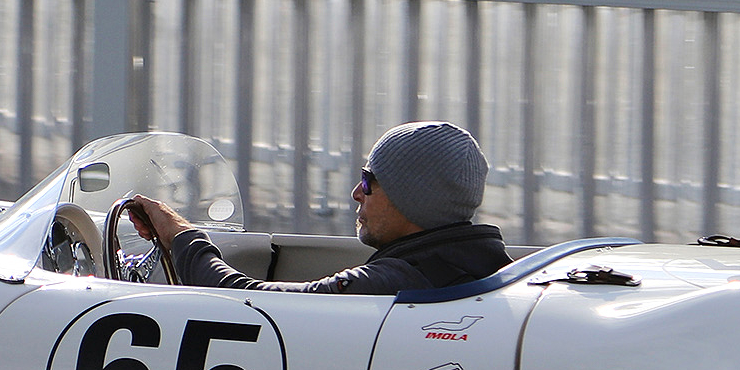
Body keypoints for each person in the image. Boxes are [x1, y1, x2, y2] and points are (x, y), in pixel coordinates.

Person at [127, 122, 509, 295]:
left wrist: (181, 236)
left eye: (367, 181)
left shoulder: (391, 284)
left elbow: (250, 300)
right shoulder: (490, 266)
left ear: (410, 199)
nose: (355, 194)